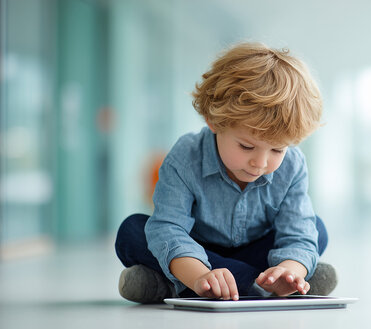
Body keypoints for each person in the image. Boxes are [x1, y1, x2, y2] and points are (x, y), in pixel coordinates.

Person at [115, 42, 336, 303]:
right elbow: (169, 227)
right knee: (132, 231)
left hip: (258, 252)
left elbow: (298, 233)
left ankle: (173, 286)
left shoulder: (294, 164)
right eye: (246, 146)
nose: (260, 163)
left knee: (316, 229)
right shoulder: (185, 156)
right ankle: (248, 286)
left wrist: (290, 271)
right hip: (197, 252)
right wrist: (199, 275)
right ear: (214, 121)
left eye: (277, 150)